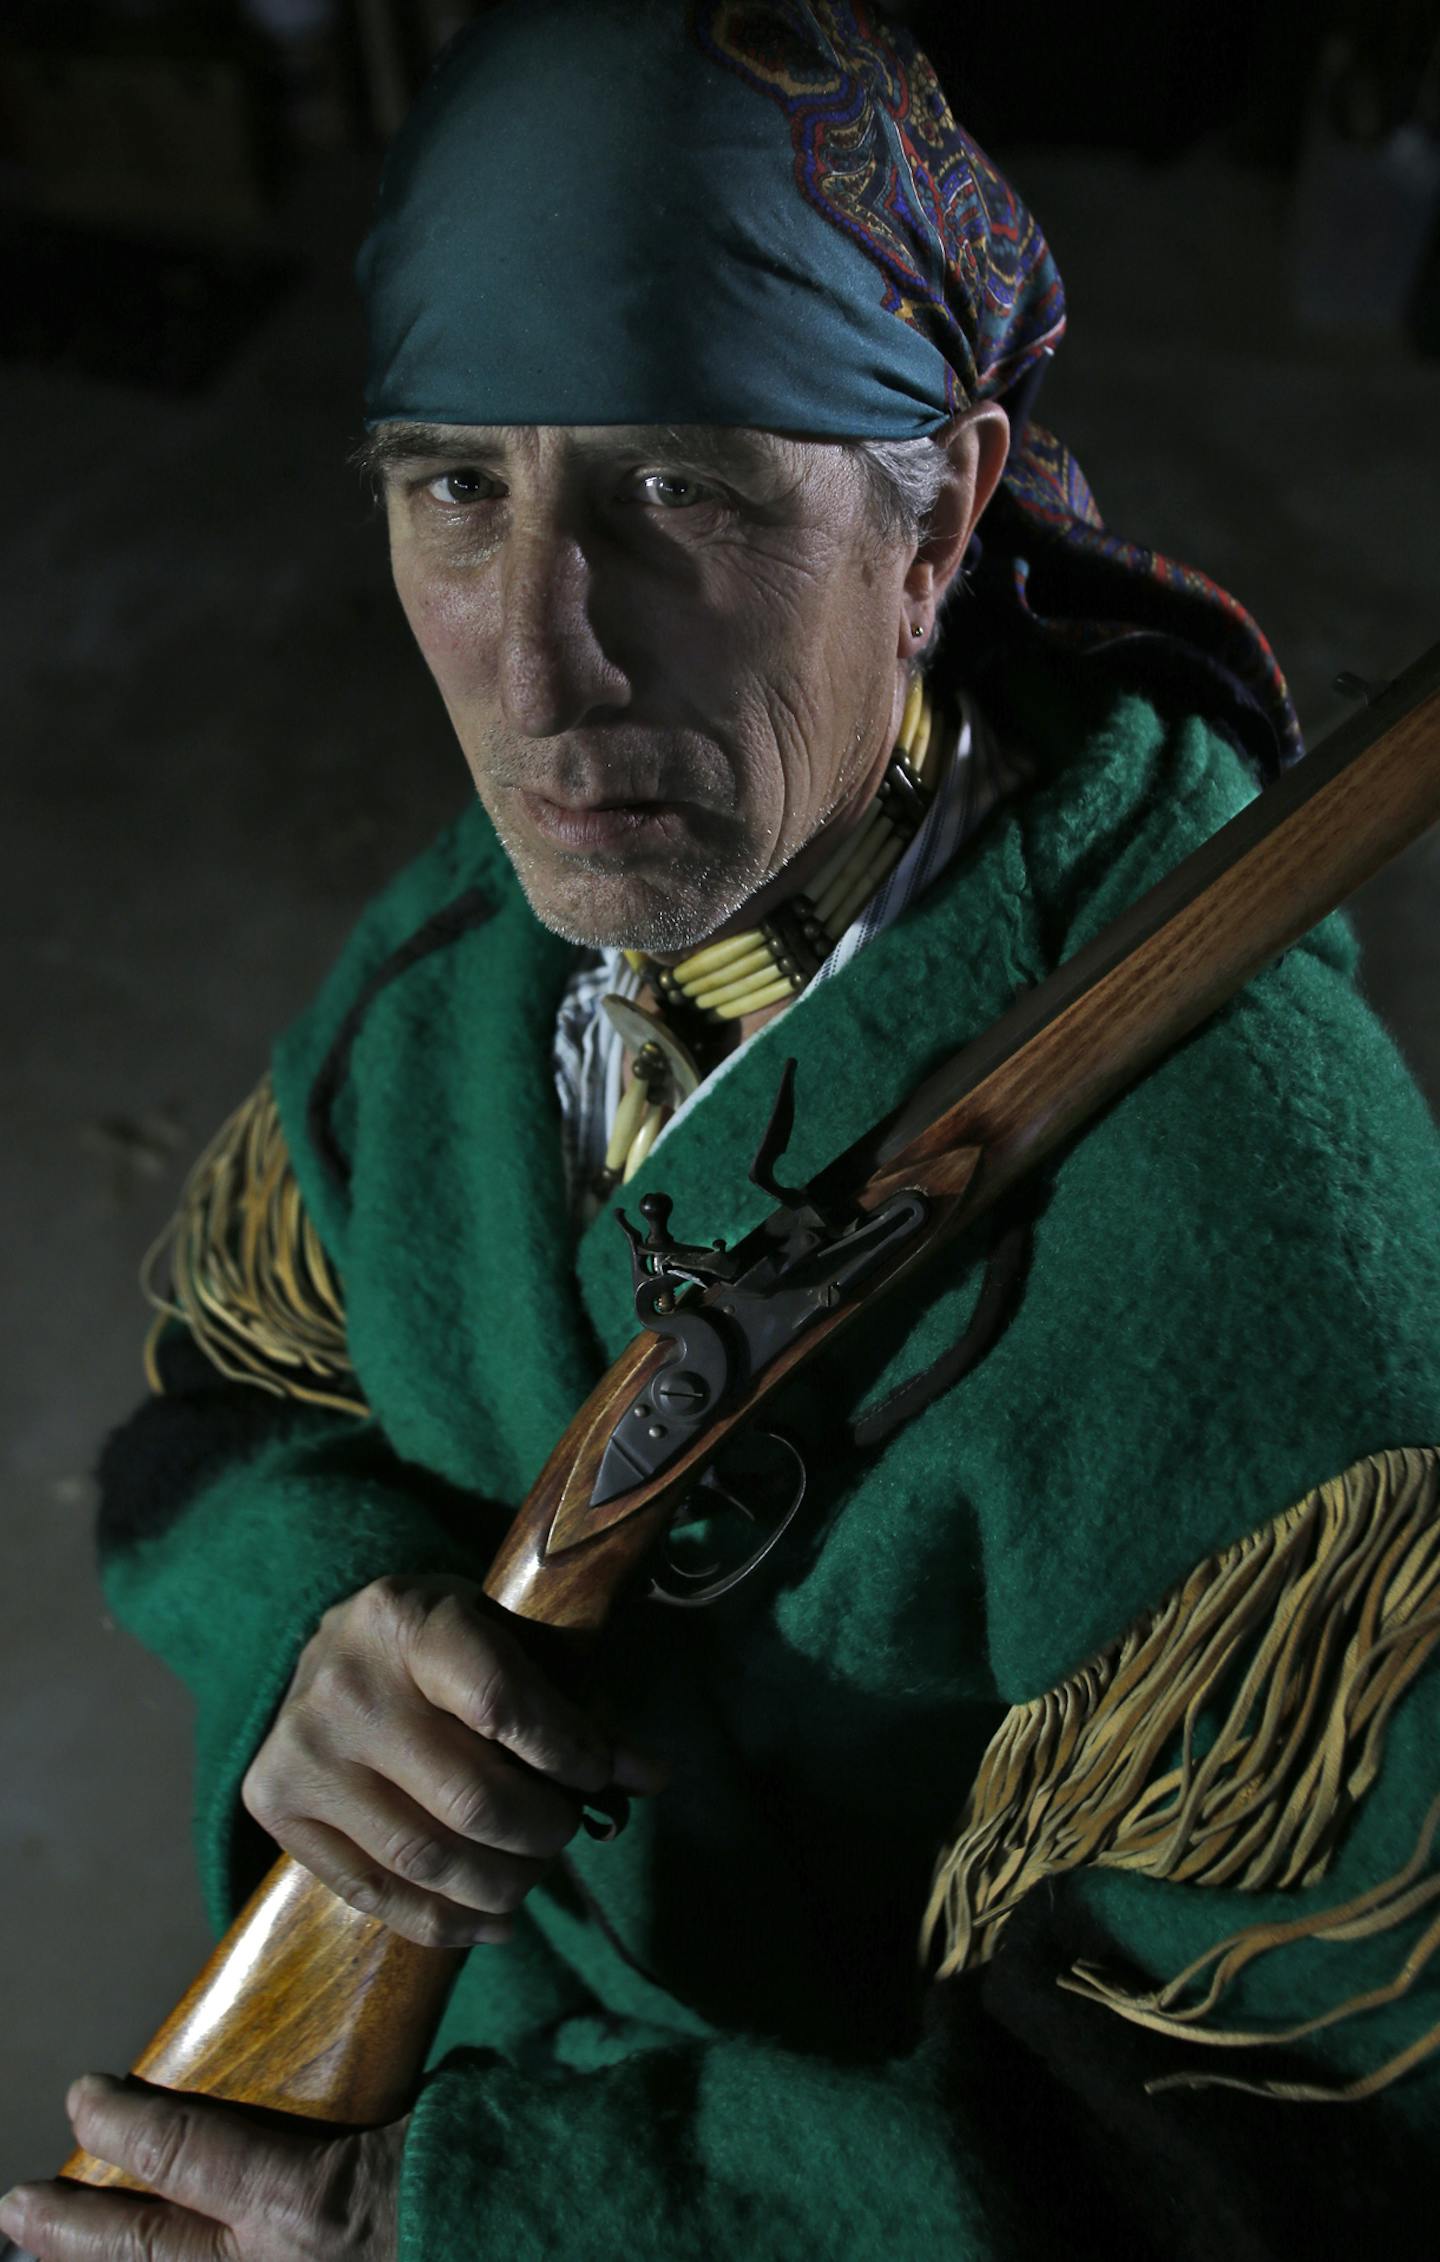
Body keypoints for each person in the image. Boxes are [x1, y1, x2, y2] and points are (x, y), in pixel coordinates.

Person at [4, 4, 1438, 2257]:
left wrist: (459, 2216)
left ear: (939, 513)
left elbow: (1276, 2165)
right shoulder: (481, 953)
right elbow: (233, 1391)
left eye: (684, 489)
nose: (545, 666)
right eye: (455, 487)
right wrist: (329, 1638)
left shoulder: (1268, 1253)